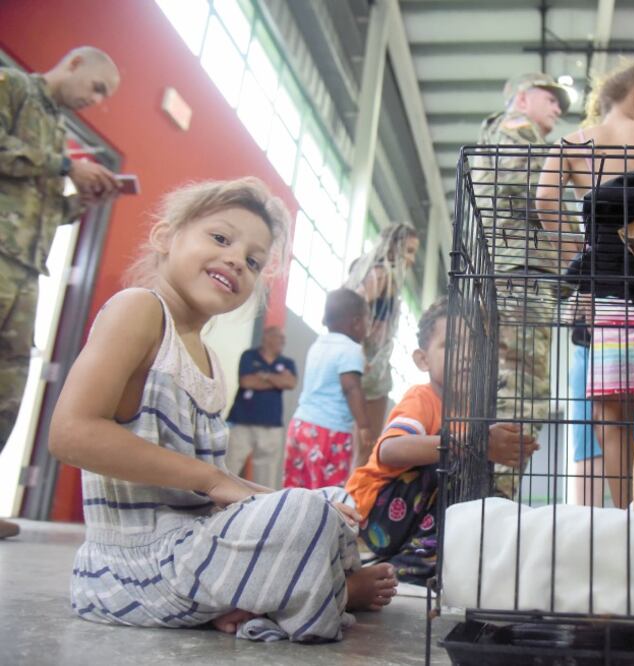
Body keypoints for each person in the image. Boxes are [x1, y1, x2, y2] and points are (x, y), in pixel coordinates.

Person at [47, 178, 397, 641]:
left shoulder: (211, 361)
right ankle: (327, 590)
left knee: (330, 503)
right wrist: (218, 481)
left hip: (193, 549)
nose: (236, 259)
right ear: (165, 237)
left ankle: (249, 595)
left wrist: (260, 494)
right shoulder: (140, 309)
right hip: (134, 565)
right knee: (301, 515)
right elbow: (70, 433)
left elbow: (216, 491)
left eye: (253, 261)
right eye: (220, 238)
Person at [536, 62, 634, 508]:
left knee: (612, 413)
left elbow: (545, 200)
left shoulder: (573, 143)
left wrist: (581, 262)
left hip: (609, 297)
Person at [1, 46, 121, 538]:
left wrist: (78, 203)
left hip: (27, 274)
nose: (97, 100)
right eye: (97, 87)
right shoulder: (11, 88)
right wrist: (63, 166)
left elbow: (41, 206)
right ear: (73, 63)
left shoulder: (56, 128)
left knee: (7, 392)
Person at [346, 297, 538, 583]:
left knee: (488, 499)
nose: (465, 356)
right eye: (451, 346)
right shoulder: (421, 398)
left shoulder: (475, 414)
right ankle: (401, 570)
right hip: (370, 516)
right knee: (453, 462)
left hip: (412, 525)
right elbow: (389, 450)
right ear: (422, 360)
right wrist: (478, 444)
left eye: (475, 347)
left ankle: (420, 567)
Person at [471, 72, 569, 498]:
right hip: (520, 274)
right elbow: (526, 182)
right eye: (551, 98)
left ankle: (496, 496)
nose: (559, 108)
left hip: (513, 274)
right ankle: (499, 498)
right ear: (524, 98)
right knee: (524, 391)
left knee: (516, 387)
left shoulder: (507, 132)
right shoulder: (516, 130)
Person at [343, 222, 420, 467]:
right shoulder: (381, 274)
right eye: (408, 251)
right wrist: (357, 350)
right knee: (364, 447)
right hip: (367, 365)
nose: (412, 259)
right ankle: (351, 498)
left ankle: (349, 495)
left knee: (360, 444)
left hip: (370, 365)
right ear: (393, 247)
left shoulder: (380, 274)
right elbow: (352, 307)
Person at [284, 288, 371, 490]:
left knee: (296, 488)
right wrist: (365, 425)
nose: (368, 327)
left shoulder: (319, 344)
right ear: (357, 322)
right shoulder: (351, 349)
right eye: (368, 321)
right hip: (328, 433)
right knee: (327, 494)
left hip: (300, 426)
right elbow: (351, 388)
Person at [224, 326, 297, 490]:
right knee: (230, 467)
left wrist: (264, 375)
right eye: (279, 337)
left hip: (271, 426)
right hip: (242, 422)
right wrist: (277, 381)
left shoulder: (287, 363)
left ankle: (263, 509)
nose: (283, 341)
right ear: (267, 338)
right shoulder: (249, 356)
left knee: (266, 475)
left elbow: (290, 383)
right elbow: (246, 382)